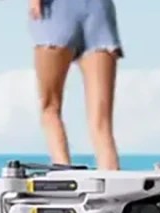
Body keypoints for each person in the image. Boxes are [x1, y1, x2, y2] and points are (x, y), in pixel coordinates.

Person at [27, 0, 122, 170]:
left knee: (50, 108)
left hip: (55, 12)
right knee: (102, 124)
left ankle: (63, 173)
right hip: (98, 12)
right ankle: (113, 181)